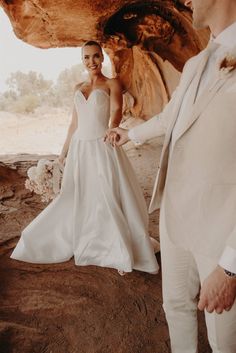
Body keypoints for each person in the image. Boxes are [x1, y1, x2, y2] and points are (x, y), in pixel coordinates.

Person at [106, 0, 236, 351]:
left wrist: (230, 267)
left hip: (220, 227)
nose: (186, 1)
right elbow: (170, 118)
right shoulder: (196, 62)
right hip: (174, 213)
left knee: (223, 337)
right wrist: (130, 135)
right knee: (176, 307)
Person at [10, 41, 159, 276]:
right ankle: (80, 237)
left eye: (96, 56)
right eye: (87, 57)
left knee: (107, 194)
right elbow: (74, 124)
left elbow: (116, 111)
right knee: (79, 194)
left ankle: (112, 246)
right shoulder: (78, 87)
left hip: (102, 145)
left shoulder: (112, 83)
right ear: (82, 60)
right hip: (80, 147)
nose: (92, 62)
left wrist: (113, 129)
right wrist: (63, 153)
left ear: (102, 57)